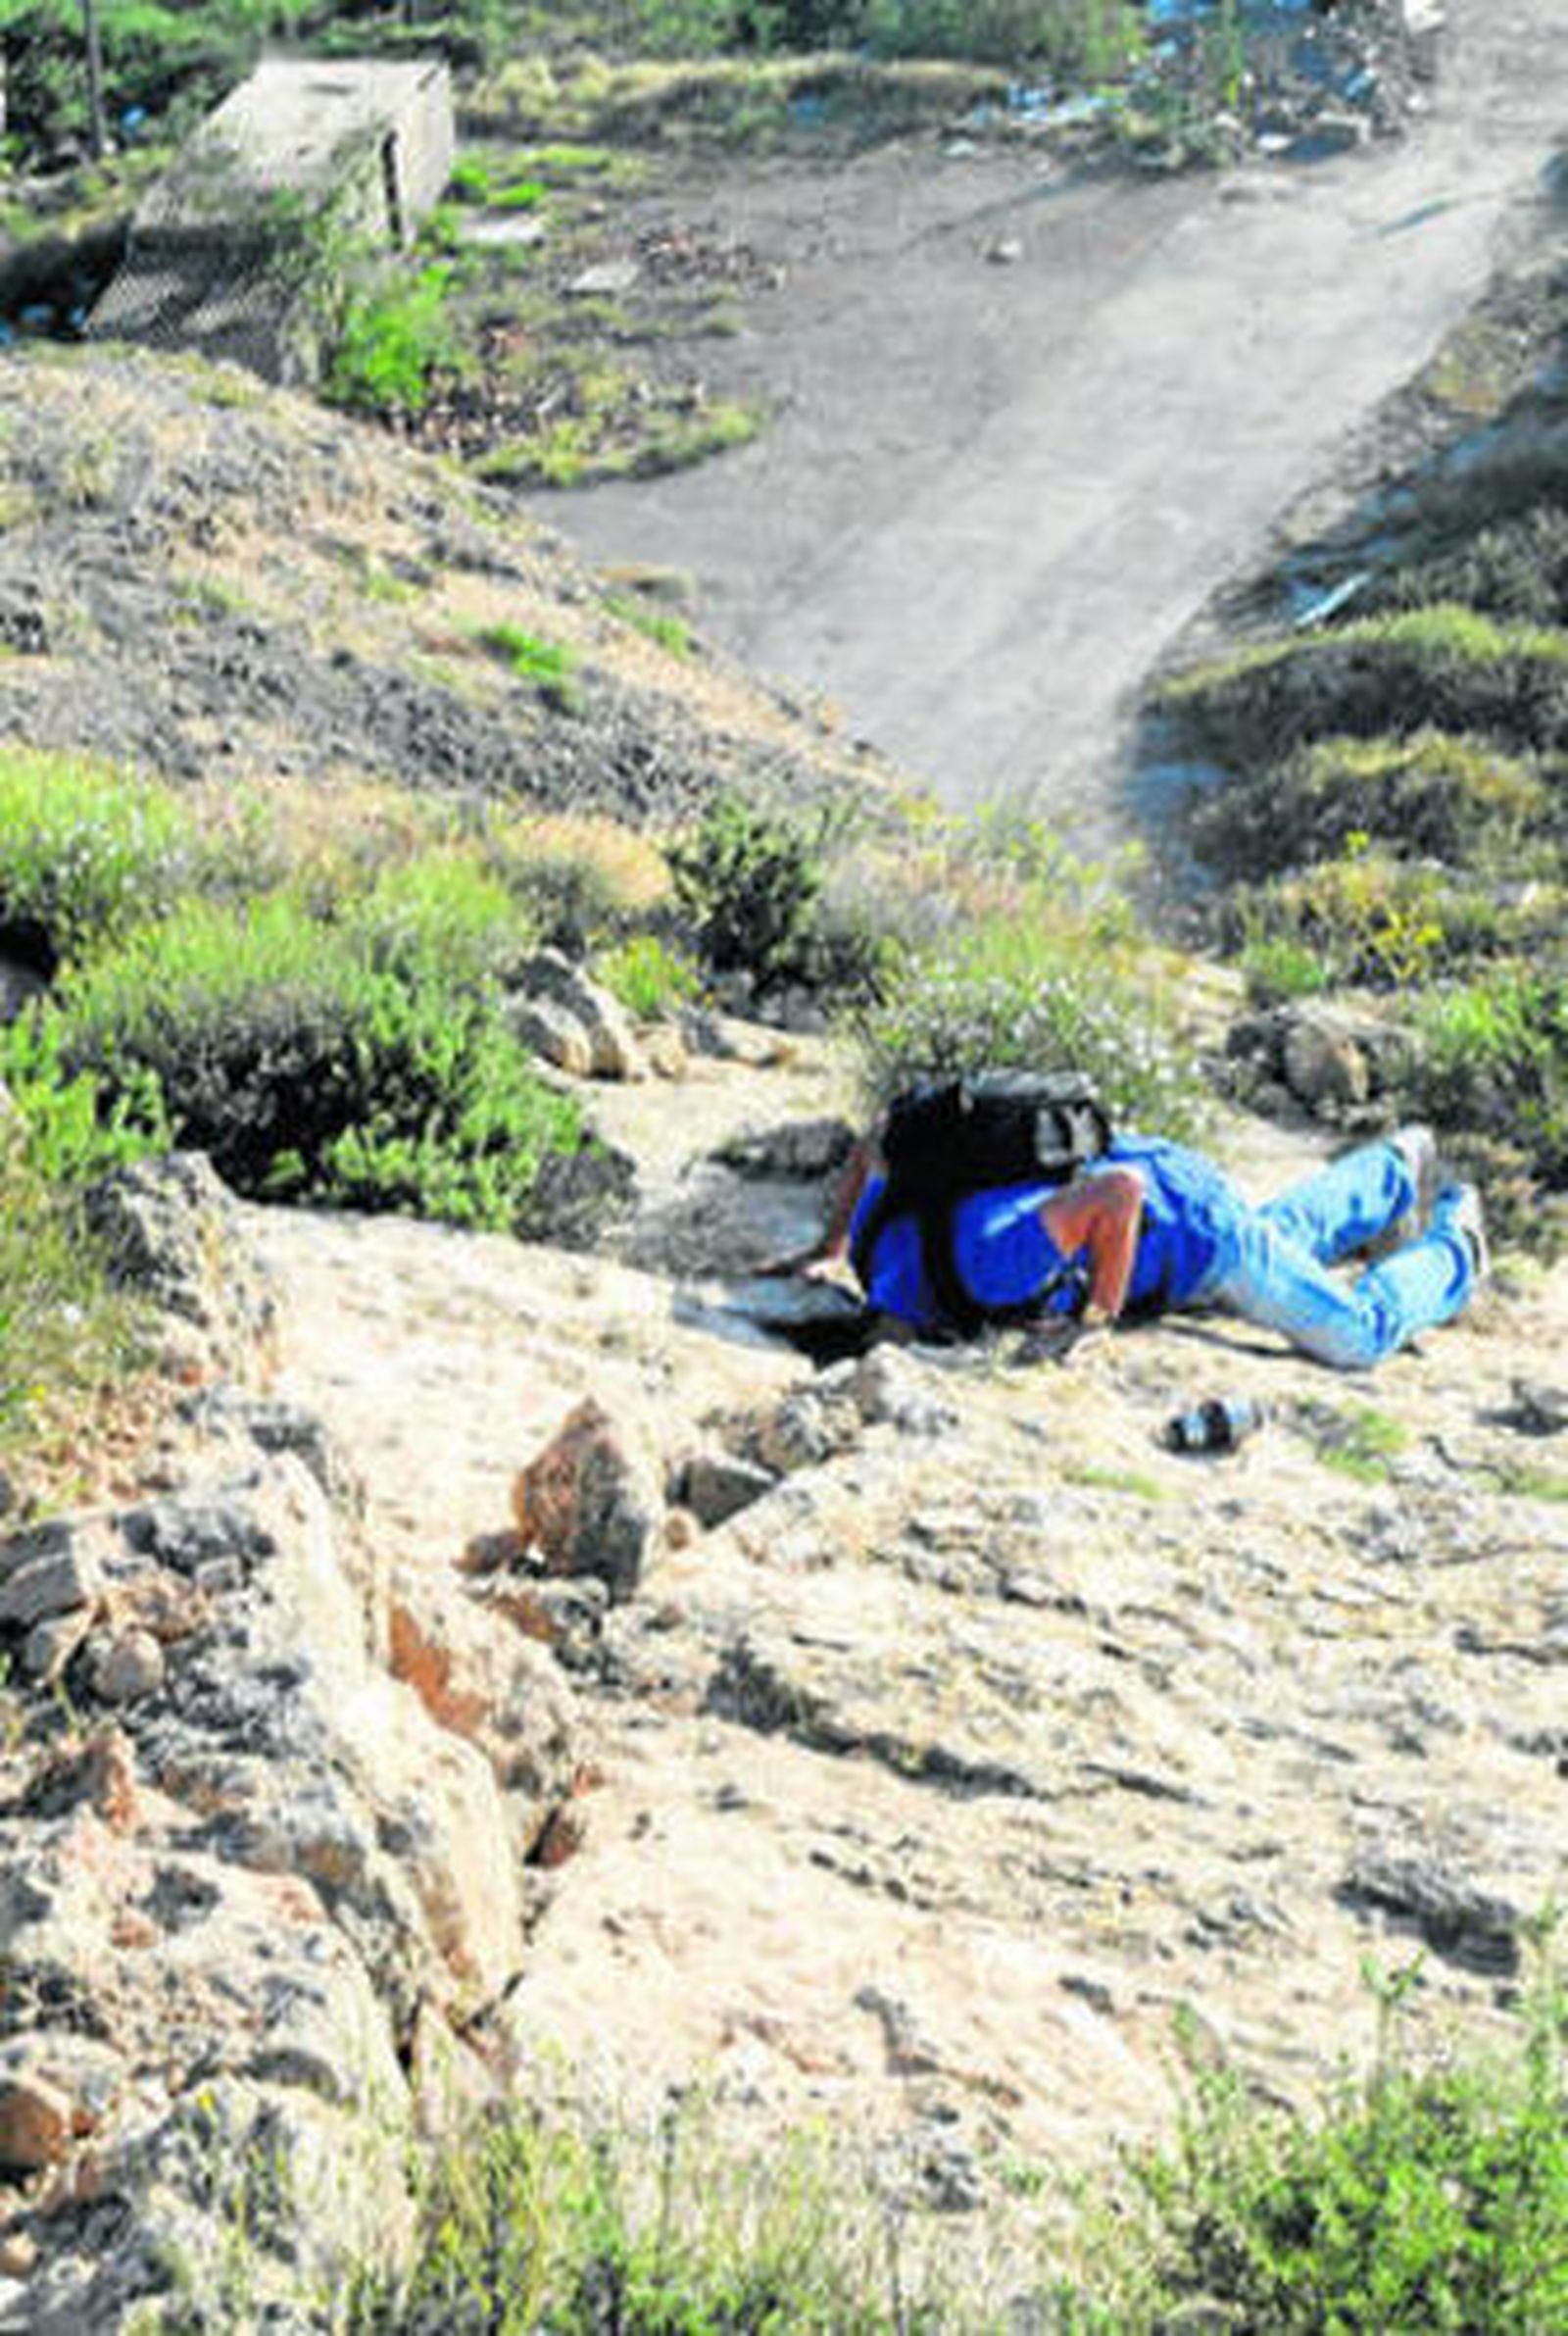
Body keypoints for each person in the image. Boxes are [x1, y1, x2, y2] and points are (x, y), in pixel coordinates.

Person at [775, 1118, 1487, 1371]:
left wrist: (1096, 1322)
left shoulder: (988, 1267)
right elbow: (877, 1139)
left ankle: (1458, 1243)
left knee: (1355, 1336)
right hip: (1166, 1174)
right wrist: (833, 1243)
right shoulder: (878, 1247)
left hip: (1192, 1227)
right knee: (1283, 1238)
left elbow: (1118, 1194)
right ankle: (1396, 1166)